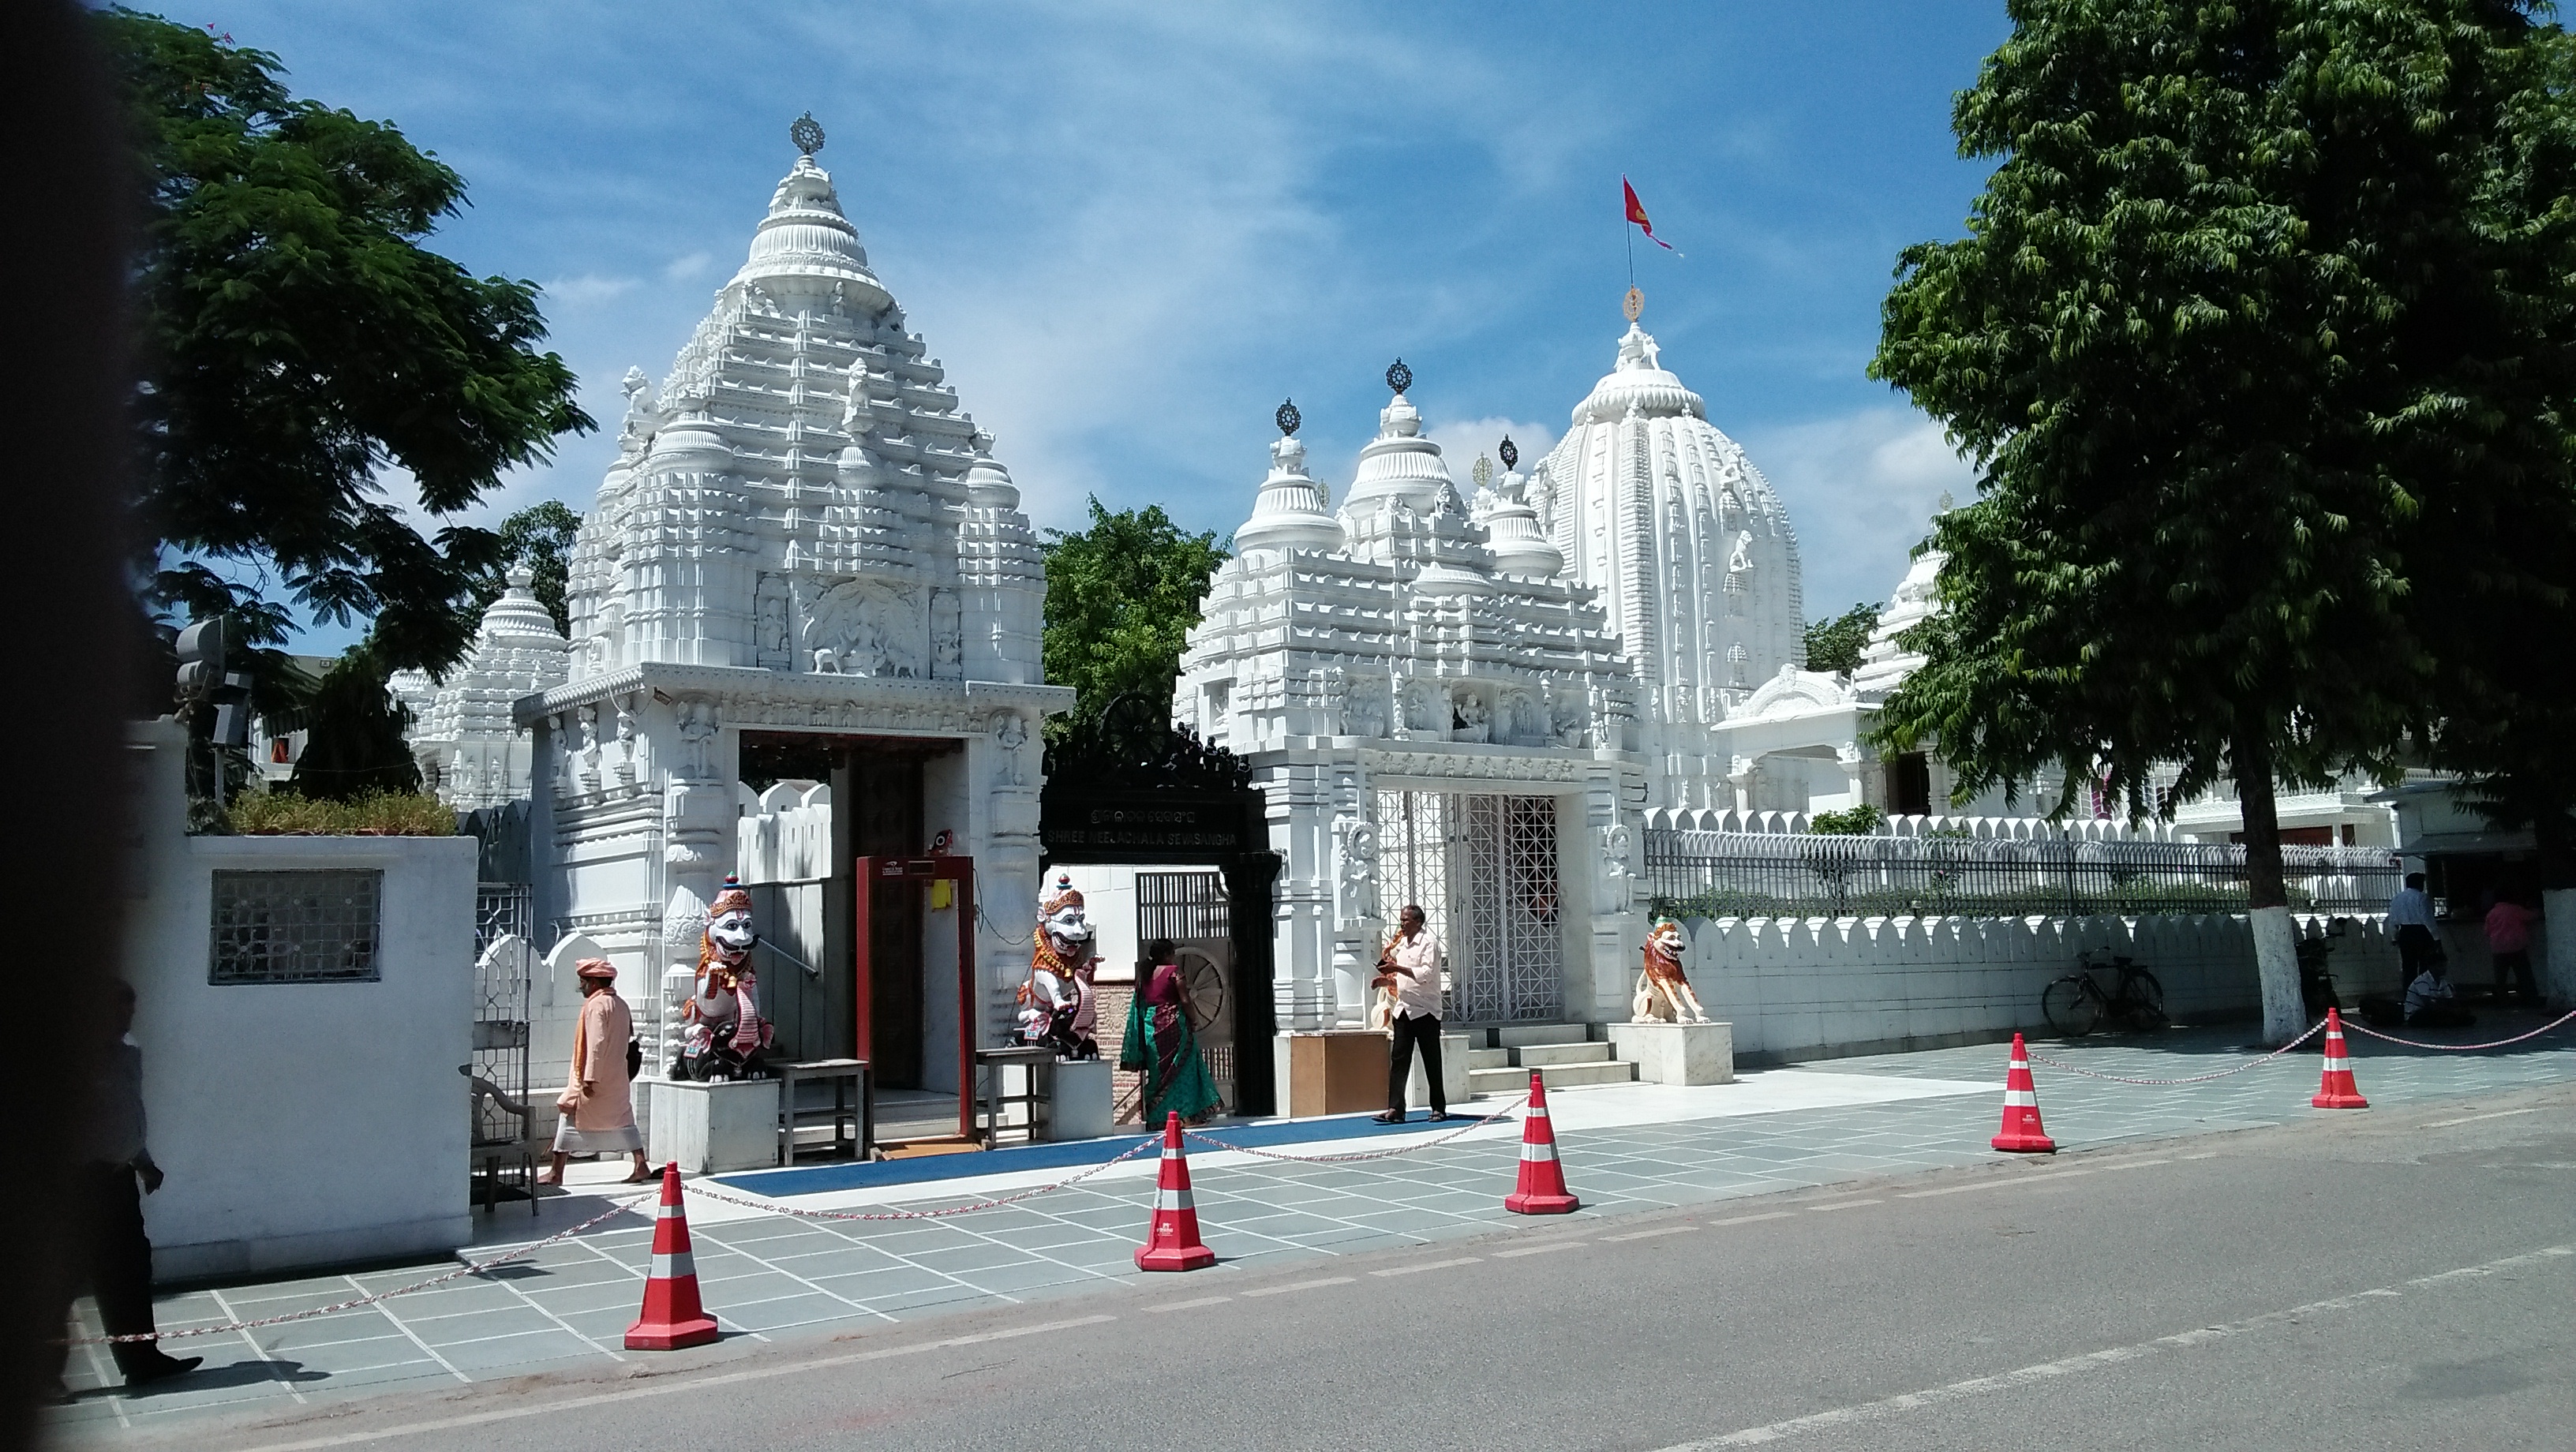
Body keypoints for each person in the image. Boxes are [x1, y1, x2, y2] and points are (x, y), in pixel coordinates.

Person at [54, 981, 200, 1391]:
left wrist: (144, 1163)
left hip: (118, 1179)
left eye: (128, 1014)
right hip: (78, 1182)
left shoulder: (128, 1055)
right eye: (115, 1014)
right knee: (63, 1278)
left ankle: (141, 1358)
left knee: (130, 1270)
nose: (123, 1022)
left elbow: (128, 1116)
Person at [541, 960, 649, 1185]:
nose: (581, 987)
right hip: (617, 1077)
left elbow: (597, 1043)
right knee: (624, 1119)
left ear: (594, 982)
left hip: (594, 1077)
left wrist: (590, 1077)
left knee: (569, 1115)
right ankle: (641, 1164)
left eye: (583, 982)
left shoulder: (596, 1005)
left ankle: (555, 1172)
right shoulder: (620, 1004)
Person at [1120, 941, 1222, 1124]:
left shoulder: (1145, 975)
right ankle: (1184, 1116)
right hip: (1174, 1027)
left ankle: (1157, 1117)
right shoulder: (1174, 972)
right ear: (1168, 954)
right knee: (1184, 1069)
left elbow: (1141, 1003)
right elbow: (1185, 1000)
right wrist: (1194, 1019)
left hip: (1151, 1027)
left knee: (1157, 1072)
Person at [1374, 904, 1448, 1124]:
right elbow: (1404, 979)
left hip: (1425, 1011)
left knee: (1431, 1060)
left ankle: (1438, 1107)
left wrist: (1395, 969)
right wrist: (1387, 979)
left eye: (1406, 920)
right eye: (1401, 920)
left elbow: (1425, 974)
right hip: (1404, 1009)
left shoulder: (1428, 943)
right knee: (1399, 1060)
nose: (1402, 925)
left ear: (1417, 921)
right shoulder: (1403, 946)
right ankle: (1395, 1108)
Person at [2387, 873, 2439, 988]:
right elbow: (2427, 919)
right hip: (2422, 933)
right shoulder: (2422, 897)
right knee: (2425, 965)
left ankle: (2409, 993)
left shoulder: (2397, 898)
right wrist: (2436, 938)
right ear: (2419, 883)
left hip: (2405, 933)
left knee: (2408, 967)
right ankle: (2425, 990)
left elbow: (2393, 920)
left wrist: (2394, 937)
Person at [2485, 895, 2540, 1006]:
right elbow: (2532, 916)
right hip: (2516, 947)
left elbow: (2487, 931)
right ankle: (2531, 1000)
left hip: (2498, 948)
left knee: (2501, 979)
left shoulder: (2492, 913)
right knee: (2524, 975)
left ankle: (2503, 1001)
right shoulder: (2515, 909)